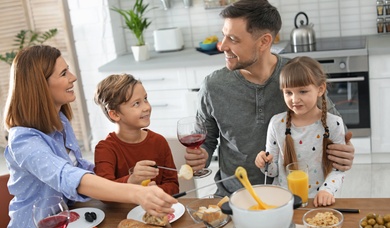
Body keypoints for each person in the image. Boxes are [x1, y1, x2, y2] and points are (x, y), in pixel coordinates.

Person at [2, 45, 177, 228]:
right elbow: (68, 176)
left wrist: (127, 178)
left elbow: (80, 167)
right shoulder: (23, 140)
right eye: (64, 73)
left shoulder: (60, 122)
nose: (73, 77)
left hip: (67, 224)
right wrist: (136, 192)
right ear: (40, 85)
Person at [184, 0, 355, 197]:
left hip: (291, 196)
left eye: (233, 39)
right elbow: (205, 140)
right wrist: (201, 157)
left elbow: (333, 126)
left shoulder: (298, 78)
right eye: (224, 36)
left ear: (264, 41)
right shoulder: (213, 86)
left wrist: (345, 151)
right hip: (232, 196)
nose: (222, 46)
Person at [255, 56, 346, 207]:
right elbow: (273, 172)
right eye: (288, 92)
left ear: (320, 89)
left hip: (317, 201)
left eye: (303, 91)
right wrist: (264, 163)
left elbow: (338, 169)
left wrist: (327, 191)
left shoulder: (333, 124)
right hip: (283, 201)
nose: (294, 99)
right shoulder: (277, 124)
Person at [94, 74, 179, 195]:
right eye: (136, 104)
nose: (146, 107)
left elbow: (173, 185)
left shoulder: (159, 141)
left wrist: (156, 190)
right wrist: (131, 181)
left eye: (145, 99)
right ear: (115, 114)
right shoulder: (105, 149)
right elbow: (103, 192)